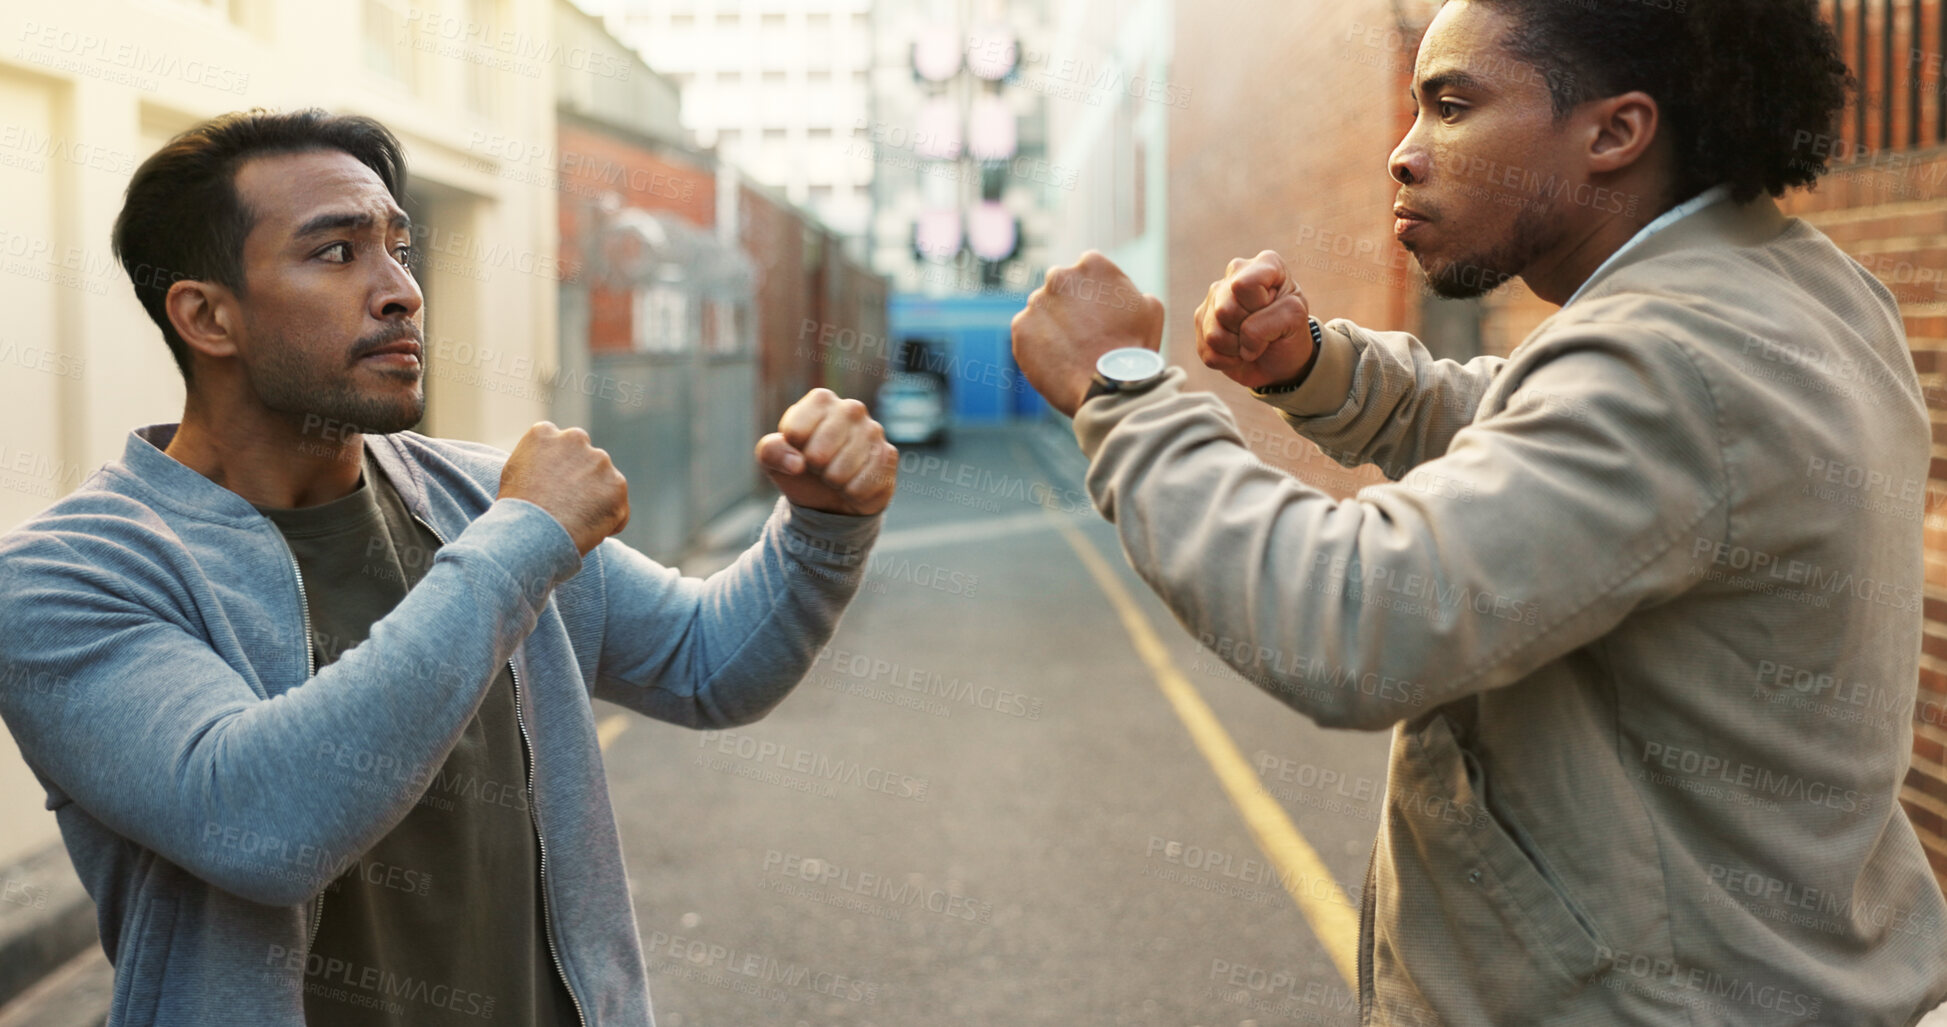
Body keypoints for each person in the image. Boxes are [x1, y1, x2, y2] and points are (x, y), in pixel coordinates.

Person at [1010, 0, 1946, 1022]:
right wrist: (1318, 366)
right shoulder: (1792, 288)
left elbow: (1352, 618)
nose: (1402, 154)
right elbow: (1535, 435)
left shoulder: (1675, 358)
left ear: (1614, 133)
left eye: (1451, 105)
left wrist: (1123, 389)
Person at [0, 108, 897, 1026]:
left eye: (397, 246)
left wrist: (823, 527)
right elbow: (261, 823)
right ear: (205, 315)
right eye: (337, 253)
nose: (400, 290)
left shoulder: (478, 498)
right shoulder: (67, 576)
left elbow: (708, 664)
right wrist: (522, 542)